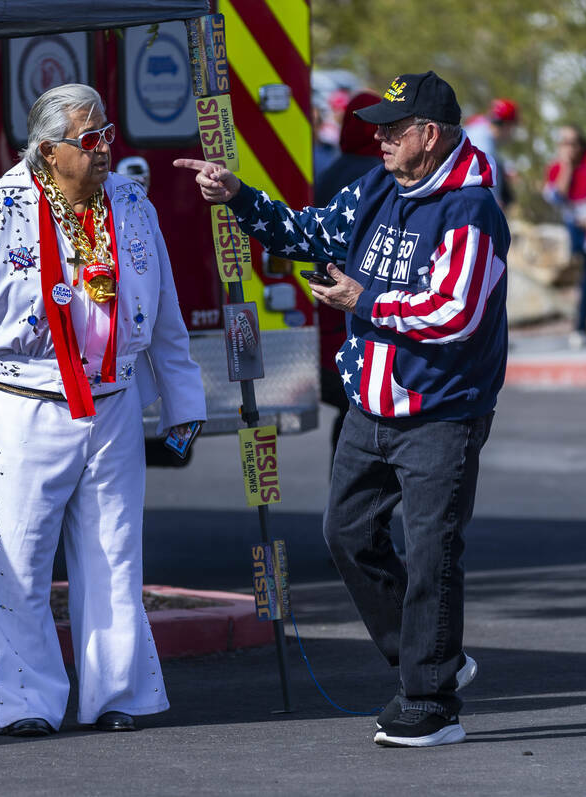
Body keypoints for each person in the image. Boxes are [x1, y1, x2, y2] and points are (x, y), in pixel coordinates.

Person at [177, 70, 508, 748]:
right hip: (370, 405)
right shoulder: (378, 185)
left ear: (430, 134)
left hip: (440, 410)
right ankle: (431, 655)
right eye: (377, 126)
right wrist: (238, 196)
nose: (377, 137)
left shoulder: (470, 210)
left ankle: (430, 700)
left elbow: (457, 312)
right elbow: (306, 233)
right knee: (346, 534)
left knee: (432, 552)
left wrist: (364, 301)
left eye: (392, 128)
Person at [0, 83, 206, 737]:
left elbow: (168, 314)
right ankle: (19, 701)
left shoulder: (131, 203)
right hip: (24, 405)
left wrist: (183, 400)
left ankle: (119, 692)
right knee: (17, 558)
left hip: (115, 405)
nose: (104, 150)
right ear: (47, 150)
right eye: (89, 140)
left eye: (107, 135)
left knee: (115, 554)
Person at [313, 91, 384, 454]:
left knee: (349, 417)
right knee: (360, 419)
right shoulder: (379, 178)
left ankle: (344, 500)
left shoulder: (331, 173)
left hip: (326, 320)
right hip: (357, 322)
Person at [543, 124, 586, 349]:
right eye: (565, 143)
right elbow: (557, 196)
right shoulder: (557, 168)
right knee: (580, 277)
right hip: (572, 229)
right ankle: (580, 325)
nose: (570, 148)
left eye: (573, 143)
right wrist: (566, 166)